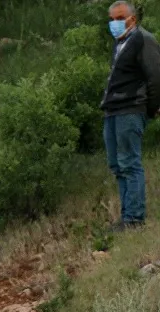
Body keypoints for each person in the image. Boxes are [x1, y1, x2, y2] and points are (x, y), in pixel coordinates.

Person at [101, 1, 160, 231]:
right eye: (111, 18)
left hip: (130, 108)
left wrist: (151, 107)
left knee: (129, 163)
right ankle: (126, 216)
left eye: (119, 18)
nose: (114, 23)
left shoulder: (142, 39)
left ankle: (134, 219)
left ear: (132, 19)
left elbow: (155, 75)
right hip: (113, 109)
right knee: (117, 164)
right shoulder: (120, 43)